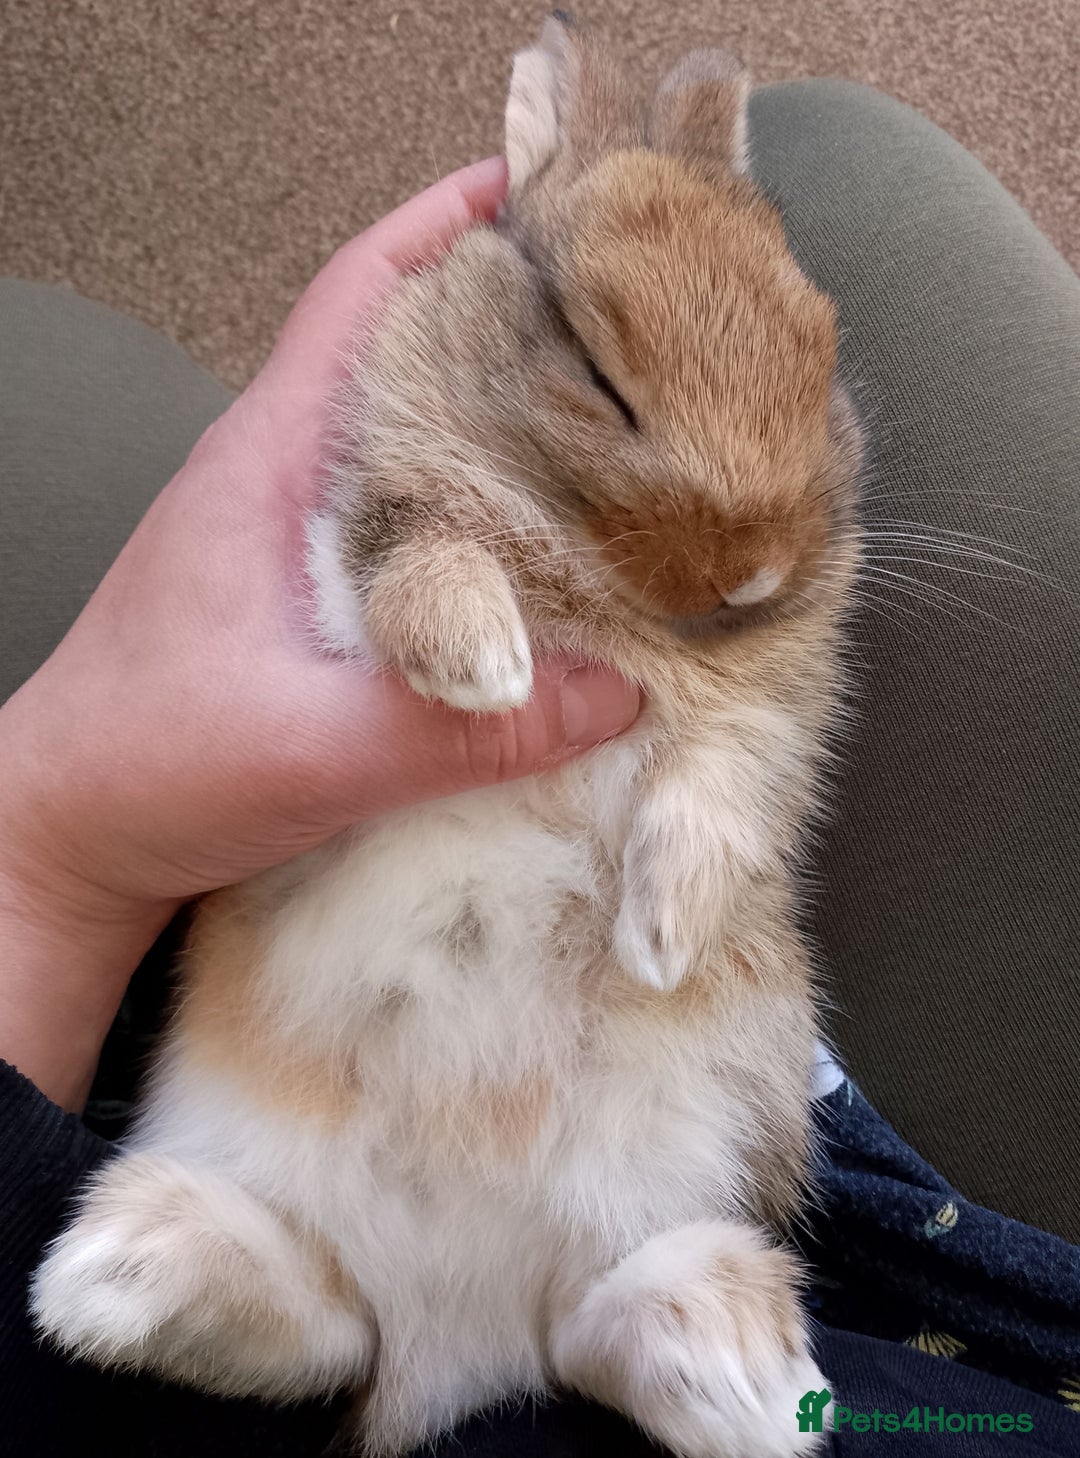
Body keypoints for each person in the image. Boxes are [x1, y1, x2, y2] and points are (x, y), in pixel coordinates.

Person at [2, 82, 1078, 1456]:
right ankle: (301, 1291)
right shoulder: (448, 419)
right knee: (854, 154)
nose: (757, 565)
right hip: (337, 1082)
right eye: (613, 392)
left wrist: (43, 856)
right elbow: (385, 532)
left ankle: (604, 1306)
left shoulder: (780, 563)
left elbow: (760, 734)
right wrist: (434, 575)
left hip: (622, 1128)